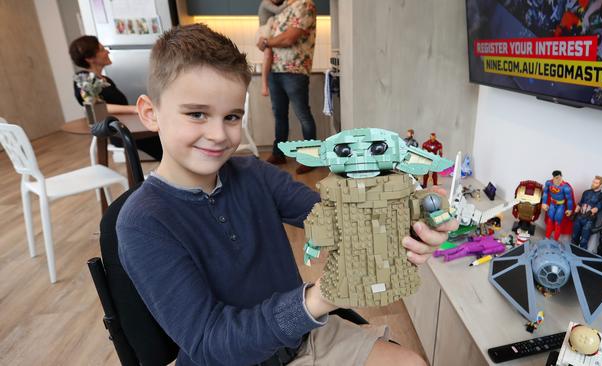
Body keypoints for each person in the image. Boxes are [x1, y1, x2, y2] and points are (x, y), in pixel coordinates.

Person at [117, 24, 454, 366]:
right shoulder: (143, 222)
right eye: (197, 114)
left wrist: (411, 218)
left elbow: (338, 216)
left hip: (302, 337)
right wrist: (321, 297)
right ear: (150, 113)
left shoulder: (253, 173)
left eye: (231, 116)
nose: (218, 134)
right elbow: (211, 342)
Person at [68, 35, 163, 161]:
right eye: (101, 50)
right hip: (119, 133)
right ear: (90, 58)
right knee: (162, 141)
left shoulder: (106, 80)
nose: (107, 51)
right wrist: (134, 109)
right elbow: (94, 106)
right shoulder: (83, 79)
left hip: (130, 128)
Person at [256, 0, 318, 174]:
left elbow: (289, 38)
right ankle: (279, 153)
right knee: (280, 115)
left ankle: (311, 158)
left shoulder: (305, 5)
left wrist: (267, 42)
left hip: (295, 70)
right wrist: (266, 42)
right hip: (276, 70)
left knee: (303, 115)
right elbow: (271, 40)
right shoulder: (280, 11)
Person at [256, 0, 289, 96]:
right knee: (267, 54)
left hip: (269, 32)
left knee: (269, 55)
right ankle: (264, 86)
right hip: (264, 32)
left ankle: (266, 85)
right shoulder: (266, 3)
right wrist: (290, 2)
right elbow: (278, 10)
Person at [571, 175, 602, 249]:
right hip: (579, 217)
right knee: (574, 237)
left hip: (589, 220)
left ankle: (581, 256)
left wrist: (589, 212)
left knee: (584, 240)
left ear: (601, 185)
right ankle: (572, 251)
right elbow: (580, 203)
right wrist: (575, 213)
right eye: (593, 182)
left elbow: (598, 207)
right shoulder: (586, 192)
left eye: (596, 183)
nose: (593, 184)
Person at [541, 170, 575, 240]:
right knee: (550, 220)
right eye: (556, 178)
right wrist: (544, 203)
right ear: (553, 177)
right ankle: (547, 237)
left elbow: (569, 199)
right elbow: (545, 193)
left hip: (560, 206)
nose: (558, 180)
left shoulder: (565, 187)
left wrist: (570, 209)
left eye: (559, 178)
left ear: (561, 176)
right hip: (552, 204)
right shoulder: (549, 183)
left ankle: (555, 240)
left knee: (558, 221)